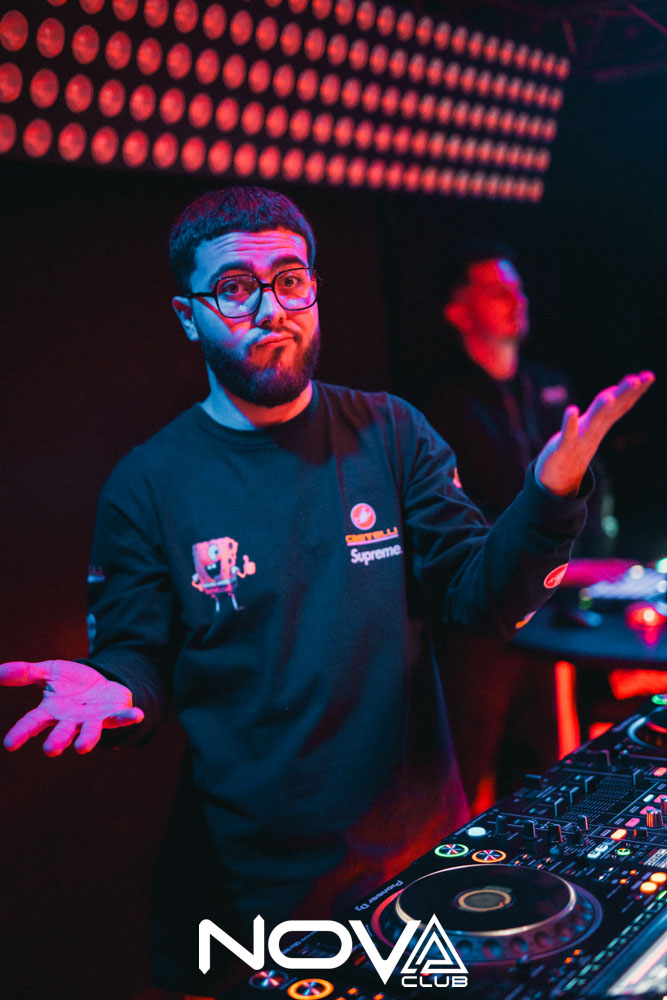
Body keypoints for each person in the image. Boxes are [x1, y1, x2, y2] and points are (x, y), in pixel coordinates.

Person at [0, 188, 653, 998]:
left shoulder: (390, 433)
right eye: (234, 288)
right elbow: (138, 651)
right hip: (257, 885)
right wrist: (116, 685)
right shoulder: (148, 483)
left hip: (416, 855)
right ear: (188, 315)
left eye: (289, 280)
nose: (269, 308)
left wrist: (549, 497)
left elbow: (481, 598)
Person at [421, 241, 615, 812]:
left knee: (542, 775)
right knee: (463, 774)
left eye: (518, 288)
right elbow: (449, 518)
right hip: (482, 628)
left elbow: (593, 482)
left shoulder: (550, 385)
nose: (516, 300)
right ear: (458, 311)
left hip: (554, 612)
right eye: (496, 291)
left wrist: (595, 564)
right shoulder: (438, 402)